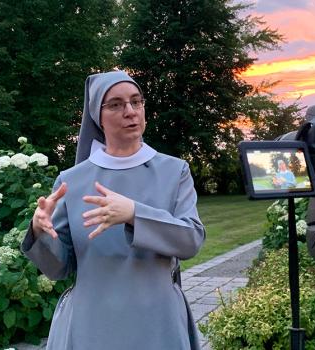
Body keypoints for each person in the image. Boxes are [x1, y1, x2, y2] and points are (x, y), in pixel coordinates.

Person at [21, 71, 206, 350]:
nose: (130, 111)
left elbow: (191, 240)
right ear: (98, 115)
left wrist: (134, 213)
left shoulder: (174, 171)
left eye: (136, 102)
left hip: (157, 322)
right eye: (116, 104)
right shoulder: (71, 181)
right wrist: (39, 231)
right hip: (91, 324)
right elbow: (59, 268)